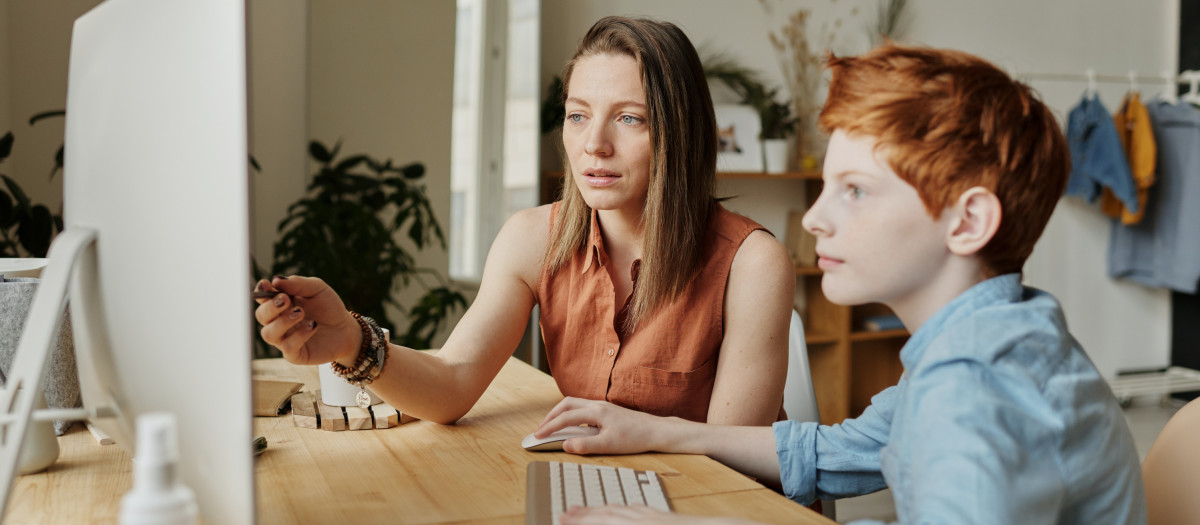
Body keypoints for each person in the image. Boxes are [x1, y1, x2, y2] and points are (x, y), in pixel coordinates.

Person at [535, 44, 1147, 525]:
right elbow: (840, 451)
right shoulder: (993, 338)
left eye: (854, 191)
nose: (813, 218)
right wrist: (659, 432)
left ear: (968, 222)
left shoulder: (979, 386)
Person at [253, 16, 794, 427]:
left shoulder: (752, 263)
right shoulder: (533, 238)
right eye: (578, 115)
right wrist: (351, 340)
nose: (593, 145)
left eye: (629, 118)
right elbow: (452, 384)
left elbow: (730, 460)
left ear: (681, 134)